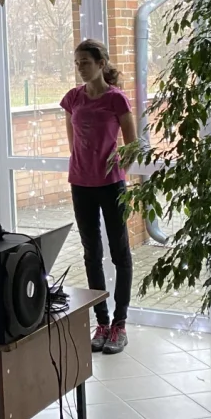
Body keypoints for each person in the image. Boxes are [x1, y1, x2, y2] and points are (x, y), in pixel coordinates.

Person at [61, 39, 137, 355]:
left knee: (119, 252)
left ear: (101, 63)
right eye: (77, 62)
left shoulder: (116, 99)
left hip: (111, 185)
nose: (80, 67)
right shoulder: (73, 98)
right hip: (81, 184)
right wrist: (83, 165)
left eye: (86, 62)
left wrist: (117, 171)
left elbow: (132, 144)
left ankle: (120, 324)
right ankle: (101, 322)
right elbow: (72, 140)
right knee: (91, 252)